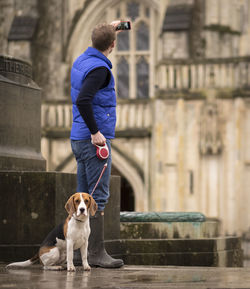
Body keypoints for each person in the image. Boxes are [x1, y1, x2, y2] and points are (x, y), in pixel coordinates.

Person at [70, 22, 124, 268]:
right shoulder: (100, 69)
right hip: (93, 141)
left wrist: (110, 30)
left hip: (77, 139)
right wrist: (96, 133)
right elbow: (83, 100)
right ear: (113, 46)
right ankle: (96, 253)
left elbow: (99, 43)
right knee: (97, 198)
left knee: (82, 199)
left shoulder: (83, 60)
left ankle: (82, 253)